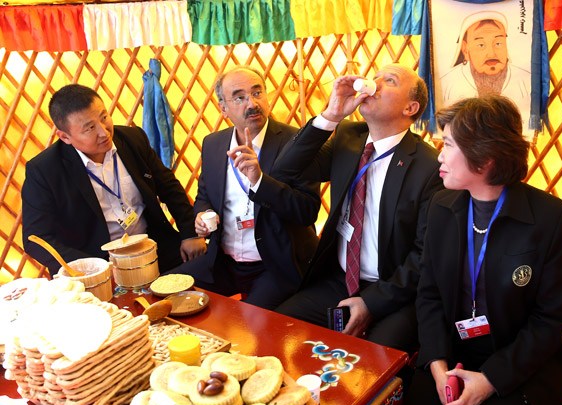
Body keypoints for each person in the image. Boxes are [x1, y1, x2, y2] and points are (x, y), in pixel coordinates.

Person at [403, 95, 562, 405]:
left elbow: (551, 319)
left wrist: (490, 379)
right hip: (455, 353)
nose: (439, 157)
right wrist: (437, 364)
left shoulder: (553, 220)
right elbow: (428, 294)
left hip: (522, 364)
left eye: (448, 145)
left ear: (484, 160)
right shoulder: (441, 208)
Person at [274, 64, 443, 352]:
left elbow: (424, 256)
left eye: (389, 80)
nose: (373, 83)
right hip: (338, 280)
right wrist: (331, 115)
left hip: (394, 290)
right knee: (281, 329)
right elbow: (285, 170)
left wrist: (372, 302)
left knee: (374, 361)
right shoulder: (349, 137)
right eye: (374, 76)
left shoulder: (429, 166)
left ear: (410, 107)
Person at [167, 66, 320, 310]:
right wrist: (202, 217)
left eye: (257, 93)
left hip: (275, 263)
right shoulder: (213, 143)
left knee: (249, 326)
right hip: (223, 260)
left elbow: (307, 210)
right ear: (223, 107)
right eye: (239, 97)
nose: (252, 103)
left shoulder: (296, 143)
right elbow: (205, 195)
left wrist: (260, 180)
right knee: (165, 290)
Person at [22, 84, 205, 275]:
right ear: (65, 137)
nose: (104, 132)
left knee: (202, 285)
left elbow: (168, 186)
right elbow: (35, 238)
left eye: (104, 117)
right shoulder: (45, 170)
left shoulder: (132, 139)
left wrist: (189, 233)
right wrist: (88, 268)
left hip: (155, 249)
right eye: (90, 128)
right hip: (98, 267)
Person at [441, 11, 530, 110]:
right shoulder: (446, 85)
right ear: (465, 50)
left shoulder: (527, 83)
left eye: (498, 43)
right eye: (481, 45)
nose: (491, 53)